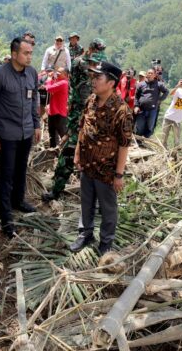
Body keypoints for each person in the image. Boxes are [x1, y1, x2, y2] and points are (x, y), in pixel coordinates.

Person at [68, 61, 132, 256]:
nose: (94, 81)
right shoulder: (91, 100)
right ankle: (85, 234)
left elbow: (124, 144)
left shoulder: (122, 111)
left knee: (107, 208)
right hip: (87, 165)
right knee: (86, 202)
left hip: (107, 170)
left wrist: (119, 175)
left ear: (111, 83)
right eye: (93, 77)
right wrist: (78, 151)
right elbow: (83, 127)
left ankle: (106, 241)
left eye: (98, 77)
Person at [0, 37, 41, 238]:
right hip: (6, 134)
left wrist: (36, 124)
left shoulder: (32, 73)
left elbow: (34, 99)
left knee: (21, 170)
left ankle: (19, 200)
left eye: (31, 53)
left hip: (26, 132)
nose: (29, 57)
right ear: (15, 53)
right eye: (26, 53)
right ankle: (6, 217)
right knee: (6, 175)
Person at [42, 38, 107, 202]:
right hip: (77, 118)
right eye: (92, 64)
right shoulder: (78, 63)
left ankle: (96, 197)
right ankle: (56, 189)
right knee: (68, 154)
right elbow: (73, 88)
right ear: (90, 50)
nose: (94, 69)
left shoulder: (102, 83)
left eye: (97, 66)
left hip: (91, 125)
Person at [134, 68, 169, 138]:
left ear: (155, 75)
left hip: (152, 110)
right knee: (139, 127)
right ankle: (138, 141)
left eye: (151, 73)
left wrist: (160, 99)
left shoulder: (159, 84)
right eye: (148, 73)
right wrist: (136, 106)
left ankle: (145, 141)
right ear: (146, 74)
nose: (149, 74)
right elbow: (136, 96)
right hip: (141, 109)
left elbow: (166, 92)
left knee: (150, 127)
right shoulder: (140, 85)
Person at [45, 67, 69, 147]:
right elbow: (52, 86)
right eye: (57, 72)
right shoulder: (59, 81)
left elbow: (49, 89)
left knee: (62, 133)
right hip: (52, 111)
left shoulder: (64, 83)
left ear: (65, 75)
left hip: (59, 112)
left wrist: (48, 79)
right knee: (52, 134)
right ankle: (53, 151)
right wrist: (51, 78)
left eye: (59, 73)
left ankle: (67, 153)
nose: (57, 74)